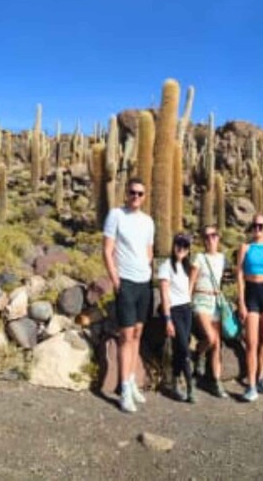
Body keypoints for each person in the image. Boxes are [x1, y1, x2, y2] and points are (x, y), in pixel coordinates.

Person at [103, 177, 155, 413]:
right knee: (126, 335)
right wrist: (116, 280)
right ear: (127, 193)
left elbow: (149, 251)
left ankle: (132, 381)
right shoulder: (116, 215)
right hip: (126, 282)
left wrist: (147, 270)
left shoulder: (148, 221)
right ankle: (124, 389)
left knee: (137, 334)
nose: (136, 197)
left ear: (144, 197)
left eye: (140, 193)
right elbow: (107, 250)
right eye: (133, 192)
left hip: (144, 283)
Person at [236, 214, 263, 402]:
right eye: (255, 225)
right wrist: (241, 302)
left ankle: (261, 378)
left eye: (261, 226)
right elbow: (239, 275)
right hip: (251, 293)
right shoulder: (245, 248)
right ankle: (251, 385)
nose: (257, 229)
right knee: (251, 342)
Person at [188, 225, 228, 399]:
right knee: (211, 338)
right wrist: (187, 301)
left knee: (217, 343)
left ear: (218, 238)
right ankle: (199, 352)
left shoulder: (222, 258)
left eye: (213, 235)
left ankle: (216, 381)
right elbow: (191, 281)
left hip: (215, 301)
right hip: (201, 300)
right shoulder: (199, 258)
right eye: (206, 236)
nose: (210, 239)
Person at [158, 233, 195, 402]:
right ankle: (190, 387)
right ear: (173, 246)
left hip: (187, 310)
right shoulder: (166, 266)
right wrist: (168, 319)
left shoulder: (187, 267)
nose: (181, 249)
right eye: (178, 244)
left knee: (182, 347)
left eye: (185, 246)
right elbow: (164, 294)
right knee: (185, 349)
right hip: (174, 311)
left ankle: (175, 379)